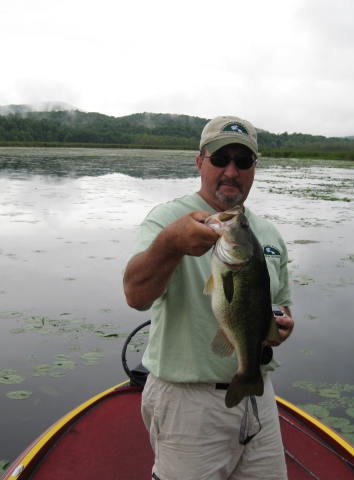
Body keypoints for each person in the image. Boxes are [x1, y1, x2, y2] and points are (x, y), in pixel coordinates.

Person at [123, 115, 295, 480]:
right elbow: (135, 295)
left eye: (243, 161)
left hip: (257, 394)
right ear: (200, 161)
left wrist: (280, 322)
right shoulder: (168, 219)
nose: (231, 171)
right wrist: (170, 245)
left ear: (254, 169)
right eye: (220, 159)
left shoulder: (266, 234)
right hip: (189, 402)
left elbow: (279, 304)